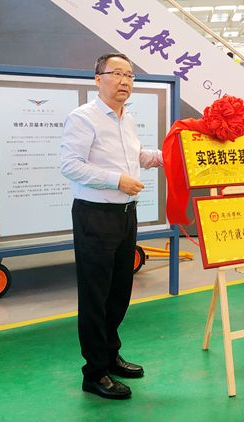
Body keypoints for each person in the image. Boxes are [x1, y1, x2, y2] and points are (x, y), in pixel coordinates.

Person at [60, 53, 163, 400]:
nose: (124, 81)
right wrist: (116, 180)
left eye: (130, 75)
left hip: (125, 215)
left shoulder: (126, 118)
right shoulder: (83, 118)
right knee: (95, 295)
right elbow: (70, 165)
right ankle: (94, 373)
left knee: (120, 291)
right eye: (116, 73)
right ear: (97, 78)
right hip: (95, 215)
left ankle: (110, 355)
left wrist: (165, 155)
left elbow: (135, 157)